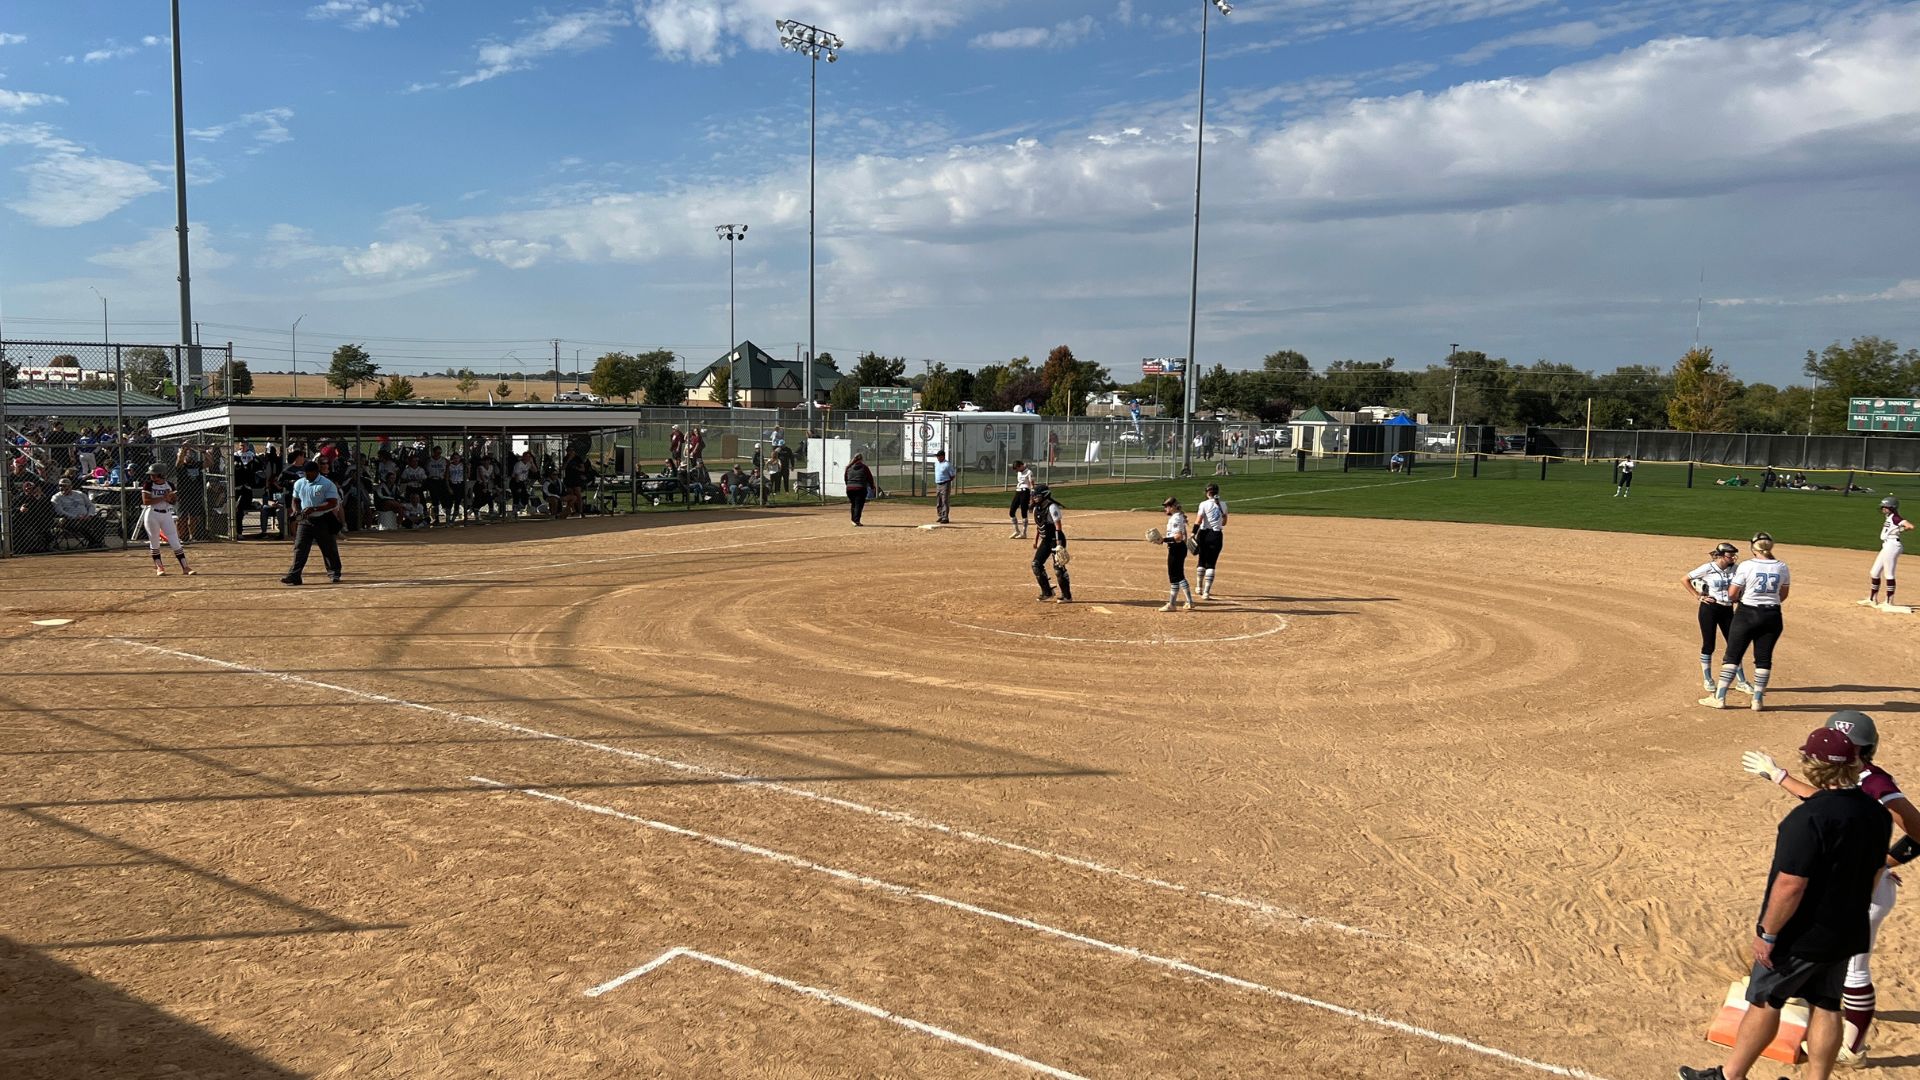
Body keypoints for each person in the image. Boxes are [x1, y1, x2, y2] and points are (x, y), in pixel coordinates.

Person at [1679, 727, 1890, 1080]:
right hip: (1847, 928)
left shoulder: (1807, 819)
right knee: (1826, 1004)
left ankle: (1731, 1076)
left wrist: (1768, 933)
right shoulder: (1876, 813)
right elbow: (1877, 870)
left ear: (1812, 765)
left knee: (1766, 999)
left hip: (1801, 934)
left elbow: (1791, 885)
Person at [1742, 711, 1920, 1066]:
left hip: (1861, 889)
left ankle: (1851, 1048)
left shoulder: (1878, 784)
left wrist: (1882, 862)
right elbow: (1831, 803)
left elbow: (1916, 831)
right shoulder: (1856, 777)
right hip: (1850, 884)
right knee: (1829, 989)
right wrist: (1780, 777)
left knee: (1853, 972)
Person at [1701, 532, 1789, 712]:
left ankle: (1719, 698)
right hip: (1772, 614)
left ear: (1753, 547)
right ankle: (1757, 700)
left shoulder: (1747, 565)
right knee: (1764, 658)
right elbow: (1783, 595)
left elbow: (1733, 594)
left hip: (1747, 614)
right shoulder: (1782, 566)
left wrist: (1743, 598)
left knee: (1732, 655)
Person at [1684, 543, 1755, 695]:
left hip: (1727, 610)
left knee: (1734, 646)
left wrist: (1739, 597)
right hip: (1709, 609)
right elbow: (1685, 579)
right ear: (1722, 555)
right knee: (1709, 645)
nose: (1734, 558)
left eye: (1734, 555)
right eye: (1730, 555)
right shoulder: (1708, 568)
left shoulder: (1736, 569)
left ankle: (1741, 682)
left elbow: (1743, 585)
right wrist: (1698, 596)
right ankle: (1708, 678)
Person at [282, 459, 342, 586]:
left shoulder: (327, 484)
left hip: (323, 519)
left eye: (309, 473)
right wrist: (296, 511)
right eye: (305, 473)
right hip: (305, 521)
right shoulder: (299, 483)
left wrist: (314, 509)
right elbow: (295, 499)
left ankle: (334, 573)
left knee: (328, 548)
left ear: (316, 472)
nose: (306, 475)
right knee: (300, 548)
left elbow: (333, 502)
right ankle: (294, 576)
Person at [139, 465, 194, 576]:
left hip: (166, 514)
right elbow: (146, 501)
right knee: (154, 541)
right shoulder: (148, 485)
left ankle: (185, 567)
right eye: (151, 474)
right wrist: (163, 498)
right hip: (152, 514)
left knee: (175, 541)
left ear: (162, 474)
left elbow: (173, 501)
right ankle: (159, 567)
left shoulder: (170, 485)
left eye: (155, 474)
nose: (152, 476)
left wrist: (170, 498)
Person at [1861, 496, 1913, 611]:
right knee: (1874, 572)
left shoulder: (1896, 518)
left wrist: (1899, 530)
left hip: (1893, 545)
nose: (1883, 508)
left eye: (1886, 507)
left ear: (1892, 508)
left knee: (1889, 574)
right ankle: (1872, 600)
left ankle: (1889, 602)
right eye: (1883, 506)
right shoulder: (1889, 517)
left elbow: (1910, 526)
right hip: (1886, 545)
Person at [1030, 484, 1071, 602]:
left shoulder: (1052, 507)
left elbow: (1058, 527)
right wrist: (1036, 540)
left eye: (1037, 496)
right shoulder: (1035, 509)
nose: (1035, 498)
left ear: (1045, 495)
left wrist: (1059, 545)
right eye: (1034, 496)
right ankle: (1047, 592)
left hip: (1056, 539)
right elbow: (1039, 525)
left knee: (1058, 568)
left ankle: (1067, 596)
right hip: (1046, 540)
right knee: (1036, 565)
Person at [51, 476, 107, 548]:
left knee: (100, 521)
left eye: (65, 486)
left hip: (86, 517)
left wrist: (89, 515)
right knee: (81, 524)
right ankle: (95, 542)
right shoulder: (56, 497)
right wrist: (75, 517)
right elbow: (59, 511)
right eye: (60, 486)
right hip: (70, 520)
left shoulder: (79, 494)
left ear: (71, 486)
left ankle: (96, 542)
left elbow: (91, 505)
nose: (62, 488)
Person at [1160, 496, 1194, 612]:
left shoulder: (1175, 518)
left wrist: (1163, 540)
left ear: (1173, 507)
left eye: (1167, 506)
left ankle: (1172, 604)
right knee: (1179, 575)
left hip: (1176, 548)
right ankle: (1189, 601)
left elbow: (1178, 537)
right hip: (1180, 548)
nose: (1165, 508)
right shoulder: (1179, 517)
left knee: (1175, 576)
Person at [1194, 482, 1228, 600]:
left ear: (1207, 493)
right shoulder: (1223, 504)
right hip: (1216, 535)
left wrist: (1193, 534)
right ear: (1217, 493)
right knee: (1211, 564)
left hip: (1204, 534)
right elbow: (1224, 522)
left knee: (1201, 560)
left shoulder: (1203, 504)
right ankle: (1206, 593)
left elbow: (1198, 521)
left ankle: (1198, 587)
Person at [845, 452, 875, 526]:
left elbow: (845, 478)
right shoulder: (864, 467)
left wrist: (848, 485)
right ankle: (856, 521)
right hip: (860, 488)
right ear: (861, 459)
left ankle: (853, 520)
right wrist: (872, 487)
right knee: (859, 505)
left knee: (853, 504)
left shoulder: (848, 467)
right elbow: (870, 478)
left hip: (850, 488)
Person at [1009, 459, 1035, 539]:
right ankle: (1017, 531)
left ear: (1021, 466)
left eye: (1017, 468)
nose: (1016, 471)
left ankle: (1024, 533)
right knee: (1012, 511)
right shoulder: (1019, 473)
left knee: (1024, 512)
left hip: (1025, 492)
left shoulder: (1029, 472)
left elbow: (1032, 485)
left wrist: (1032, 496)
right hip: (1018, 491)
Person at [933, 450, 956, 524]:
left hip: (945, 484)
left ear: (943, 456)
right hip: (938, 484)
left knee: (944, 501)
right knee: (938, 501)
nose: (937, 457)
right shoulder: (936, 463)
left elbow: (952, 475)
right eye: (937, 456)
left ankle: (945, 517)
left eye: (939, 456)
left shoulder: (947, 464)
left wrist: (947, 481)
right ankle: (940, 515)